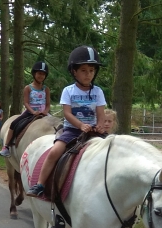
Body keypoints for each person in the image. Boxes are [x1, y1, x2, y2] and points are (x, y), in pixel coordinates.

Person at [26, 46, 107, 197]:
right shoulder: (68, 91)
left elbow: (101, 113)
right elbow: (67, 113)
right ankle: (40, 184)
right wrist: (81, 125)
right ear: (74, 71)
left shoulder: (98, 91)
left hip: (93, 130)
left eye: (91, 70)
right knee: (54, 152)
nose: (88, 74)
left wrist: (101, 125)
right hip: (72, 130)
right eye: (83, 70)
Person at [101, 109, 137, 228]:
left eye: (110, 121)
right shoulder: (96, 139)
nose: (107, 123)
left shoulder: (115, 140)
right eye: (105, 120)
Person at [0, 62, 50, 157]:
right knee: (14, 123)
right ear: (34, 74)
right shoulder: (28, 88)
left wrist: (45, 111)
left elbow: (47, 104)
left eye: (43, 74)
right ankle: (6, 147)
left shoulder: (46, 89)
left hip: (43, 113)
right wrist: (33, 112)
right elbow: (26, 103)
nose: (41, 76)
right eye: (39, 73)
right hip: (30, 112)